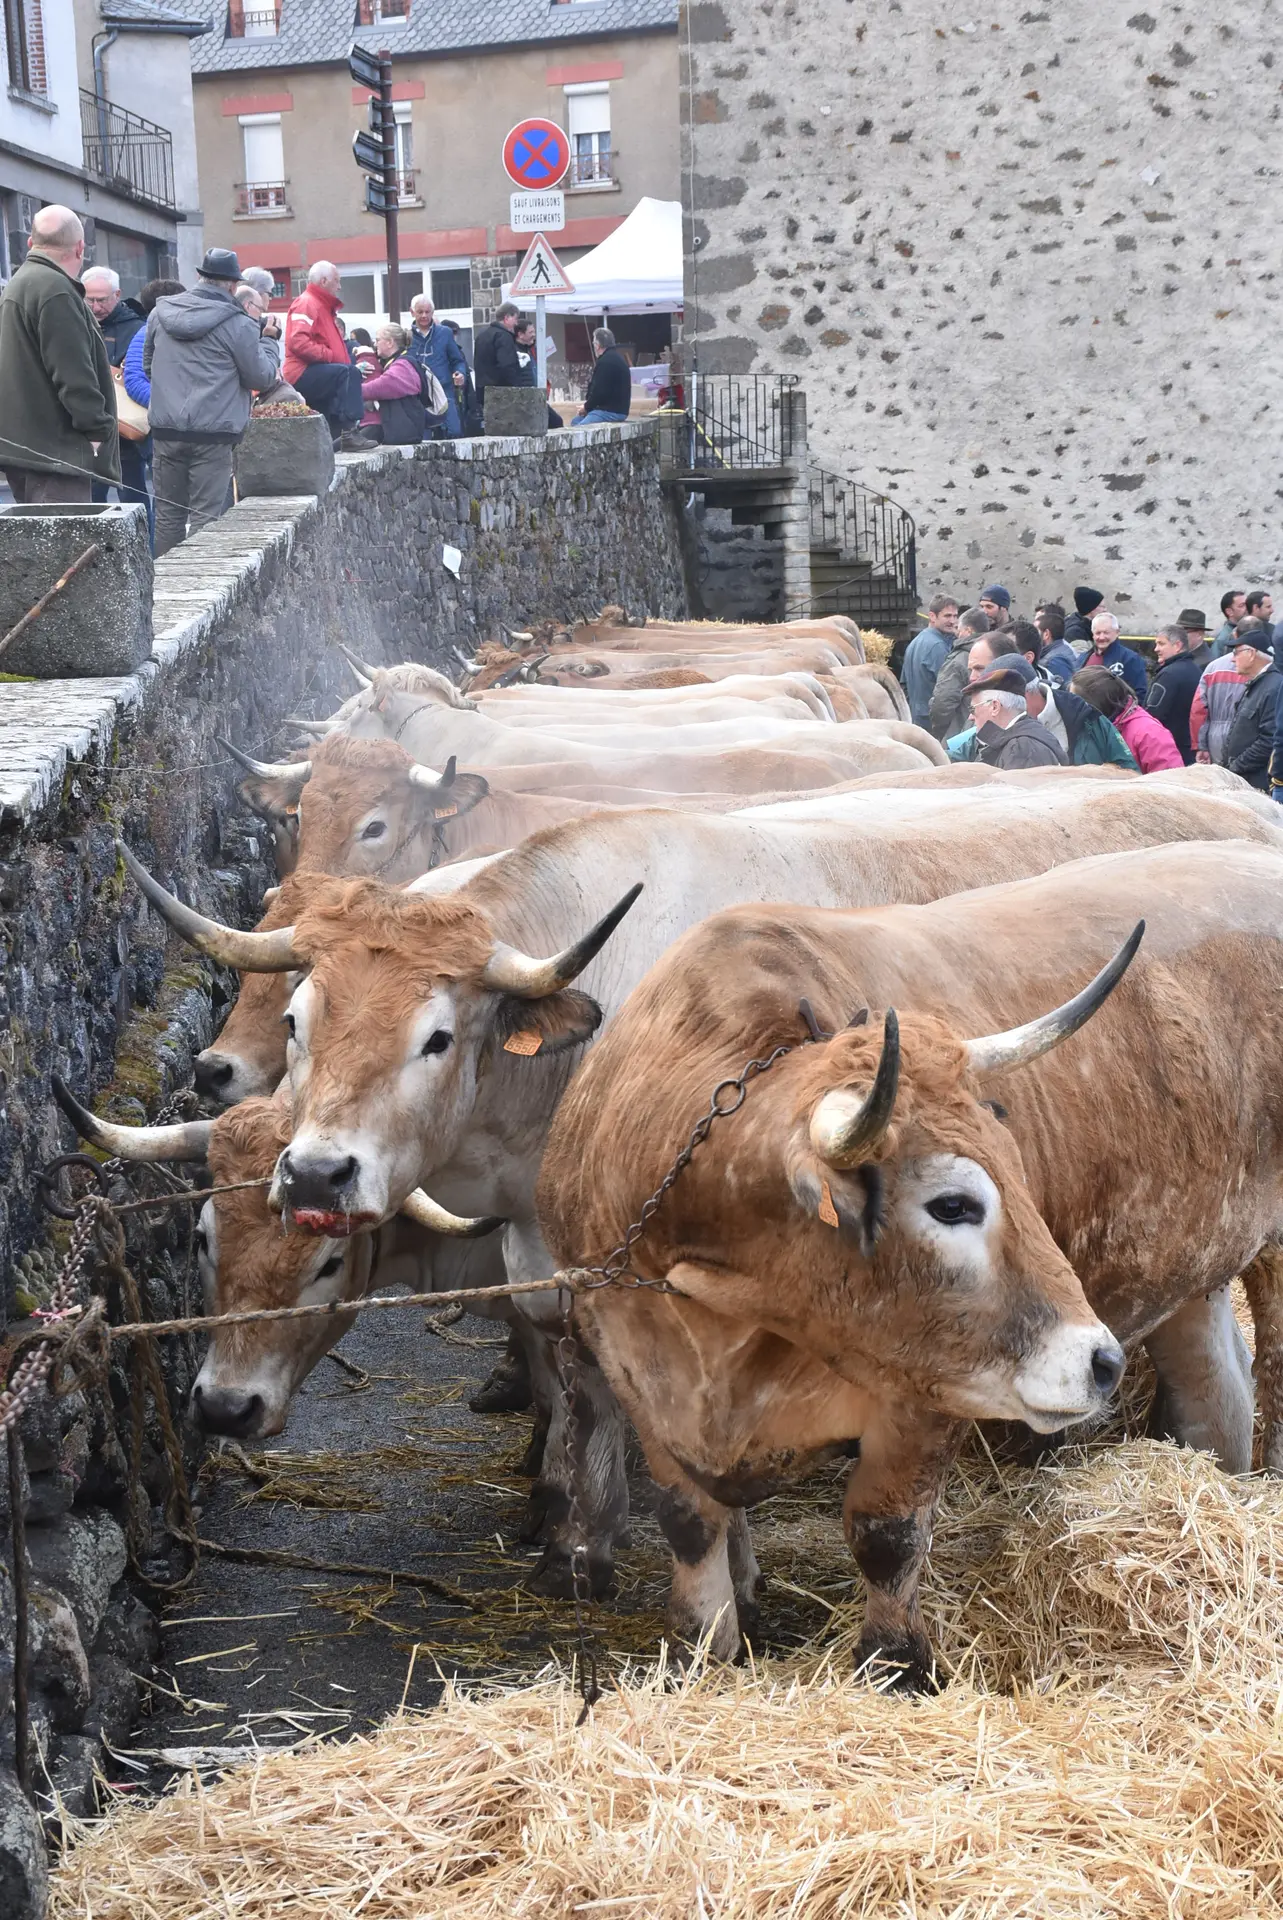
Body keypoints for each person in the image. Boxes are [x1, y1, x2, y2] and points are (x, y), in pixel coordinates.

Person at [144, 245, 278, 556]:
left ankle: (164, 591)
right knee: (207, 518)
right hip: (214, 434)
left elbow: (149, 367)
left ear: (199, 277)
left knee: (168, 516)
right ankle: (197, 591)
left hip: (166, 430)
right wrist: (270, 342)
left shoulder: (159, 314)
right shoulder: (240, 323)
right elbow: (261, 378)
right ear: (233, 285)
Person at [0, 205, 119, 503]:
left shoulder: (19, 283)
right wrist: (97, 432)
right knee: (67, 547)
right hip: (55, 453)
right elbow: (74, 374)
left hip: (30, 448)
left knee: (41, 546)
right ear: (80, 248)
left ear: (31, 242)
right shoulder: (55, 290)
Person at [944, 652, 1138, 771]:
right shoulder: (995, 727)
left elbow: (1127, 771)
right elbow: (952, 759)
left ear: (1021, 695)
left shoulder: (1086, 717)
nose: (971, 716)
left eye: (974, 708)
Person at [283, 261, 372, 451]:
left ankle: (325, 447)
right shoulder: (308, 303)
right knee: (348, 373)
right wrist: (330, 355)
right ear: (324, 281)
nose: (339, 287)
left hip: (311, 371)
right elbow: (297, 342)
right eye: (337, 281)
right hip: (302, 371)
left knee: (323, 417)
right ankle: (350, 433)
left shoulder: (320, 306)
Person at [1070, 666, 1182, 773]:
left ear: (1095, 704)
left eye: (1075, 700)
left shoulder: (1149, 733)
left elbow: (1171, 782)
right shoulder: (1090, 727)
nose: (1071, 705)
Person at [964, 662, 1067, 769]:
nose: (970, 717)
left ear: (995, 707)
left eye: (972, 709)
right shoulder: (1024, 739)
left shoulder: (1022, 748)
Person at [1221, 630, 1283, 789]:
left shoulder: (1274, 686)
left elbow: (1269, 740)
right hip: (1245, 781)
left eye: (1236, 652)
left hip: (1257, 785)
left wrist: (1234, 769)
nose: (1233, 659)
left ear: (1251, 653)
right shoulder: (1259, 684)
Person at [1145, 621, 1210, 764]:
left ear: (1178, 646)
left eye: (1161, 644)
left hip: (1170, 751)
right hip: (1190, 748)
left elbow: (1152, 715)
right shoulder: (1196, 670)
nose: (1156, 649)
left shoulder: (1168, 675)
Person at [359, 323, 434, 445]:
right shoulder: (397, 361)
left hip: (404, 432)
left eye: (378, 340)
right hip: (397, 430)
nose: (375, 343)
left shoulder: (403, 366)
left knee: (339, 448)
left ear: (390, 342)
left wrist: (352, 390)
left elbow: (381, 387)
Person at [927, 606, 991, 741]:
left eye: (959, 629)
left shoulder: (958, 660)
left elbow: (943, 702)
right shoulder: (995, 652)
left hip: (959, 737)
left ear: (968, 631)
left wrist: (938, 732)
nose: (956, 634)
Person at [407, 294, 467, 438]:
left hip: (444, 390)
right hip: (419, 394)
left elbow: (458, 360)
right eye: (420, 311)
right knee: (422, 436)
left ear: (433, 313)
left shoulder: (445, 333)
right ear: (412, 312)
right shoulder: (406, 336)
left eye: (427, 312)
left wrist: (460, 373)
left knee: (455, 431)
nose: (424, 315)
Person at [900, 595, 959, 729]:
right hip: (933, 722)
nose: (953, 621)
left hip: (916, 718)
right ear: (932, 616)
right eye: (947, 616)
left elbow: (904, 685)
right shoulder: (937, 647)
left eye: (955, 616)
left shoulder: (916, 642)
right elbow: (948, 690)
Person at [1083, 609, 1148, 699]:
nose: (1101, 637)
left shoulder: (1130, 659)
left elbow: (1139, 694)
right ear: (1093, 634)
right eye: (1098, 633)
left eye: (1106, 632)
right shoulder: (1083, 658)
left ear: (1117, 632)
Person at [473, 301, 523, 418]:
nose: (516, 323)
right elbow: (507, 365)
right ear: (506, 318)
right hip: (502, 394)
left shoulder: (482, 335)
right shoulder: (504, 336)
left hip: (484, 393)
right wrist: (518, 388)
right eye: (515, 319)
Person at [574, 326, 631, 425]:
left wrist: (586, 407)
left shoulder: (605, 362)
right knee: (575, 421)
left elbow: (599, 392)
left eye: (594, 343)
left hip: (610, 411)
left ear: (598, 345)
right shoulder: (616, 358)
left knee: (580, 429)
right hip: (618, 409)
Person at [1032, 602, 1081, 682]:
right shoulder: (1055, 651)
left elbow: (1062, 691)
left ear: (1046, 634)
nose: (1032, 634)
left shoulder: (1055, 661)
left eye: (1035, 631)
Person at [1063, 585, 1104, 651]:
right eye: (1102, 606)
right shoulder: (1075, 632)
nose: (1105, 610)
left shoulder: (1088, 625)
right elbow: (1081, 659)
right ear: (1091, 609)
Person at [1212, 589, 1247, 656]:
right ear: (1229, 612)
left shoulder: (1250, 629)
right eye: (1242, 605)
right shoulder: (1223, 639)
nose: (1247, 608)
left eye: (1247, 604)